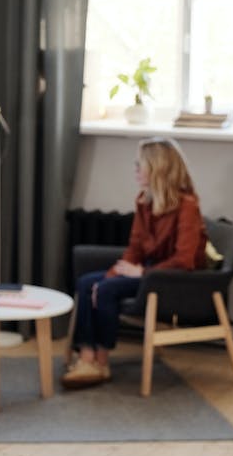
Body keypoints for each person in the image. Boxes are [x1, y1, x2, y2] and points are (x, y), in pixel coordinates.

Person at [63, 137, 207, 389]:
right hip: (148, 272)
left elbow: (184, 260)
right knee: (88, 283)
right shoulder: (145, 201)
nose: (136, 170)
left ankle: (101, 360)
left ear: (158, 168)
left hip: (174, 279)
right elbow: (135, 248)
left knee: (106, 290)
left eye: (140, 165)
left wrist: (141, 272)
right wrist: (111, 275)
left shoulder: (187, 206)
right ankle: (87, 357)